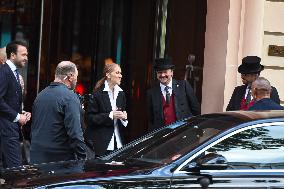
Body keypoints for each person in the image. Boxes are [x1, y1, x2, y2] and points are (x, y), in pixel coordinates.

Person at [30, 61, 87, 164]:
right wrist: (83, 158)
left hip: (37, 157)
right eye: (76, 76)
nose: (76, 80)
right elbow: (75, 133)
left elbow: (35, 127)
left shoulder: (40, 95)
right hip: (60, 162)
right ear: (70, 76)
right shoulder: (70, 97)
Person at [147, 58, 200, 132]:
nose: (162, 75)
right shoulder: (151, 93)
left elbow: (195, 110)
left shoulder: (183, 86)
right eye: (159, 72)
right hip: (163, 136)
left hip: (183, 133)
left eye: (165, 72)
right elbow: (151, 119)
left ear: (172, 72)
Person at [85, 62, 128, 156]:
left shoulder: (121, 94)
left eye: (120, 73)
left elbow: (123, 115)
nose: (120, 76)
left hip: (118, 144)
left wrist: (124, 117)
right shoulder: (97, 94)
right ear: (108, 75)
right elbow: (90, 118)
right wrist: (110, 115)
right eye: (117, 73)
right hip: (101, 145)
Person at [0, 41, 31, 168]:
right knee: (16, 170)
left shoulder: (14, 72)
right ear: (12, 55)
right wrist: (18, 117)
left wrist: (20, 112)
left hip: (10, 128)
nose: (26, 58)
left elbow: (9, 99)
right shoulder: (4, 72)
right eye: (23, 55)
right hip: (6, 128)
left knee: (12, 172)